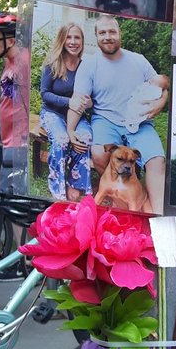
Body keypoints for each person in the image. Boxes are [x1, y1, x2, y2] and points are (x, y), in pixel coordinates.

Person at [68, 14, 168, 213]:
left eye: (112, 31)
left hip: (139, 124)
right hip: (106, 120)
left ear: (119, 33)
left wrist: (159, 105)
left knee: (158, 161)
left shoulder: (138, 61)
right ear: (96, 36)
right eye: (102, 33)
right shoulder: (89, 64)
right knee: (98, 153)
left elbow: (163, 87)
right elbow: (78, 100)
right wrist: (71, 129)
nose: (107, 37)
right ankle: (117, 192)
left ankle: (157, 214)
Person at [39, 22, 92, 201]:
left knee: (85, 138)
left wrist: (88, 102)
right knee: (62, 140)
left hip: (77, 116)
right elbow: (45, 94)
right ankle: (57, 188)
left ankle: (76, 184)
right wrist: (69, 101)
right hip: (52, 113)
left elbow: (92, 97)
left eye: (77, 37)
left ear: (82, 42)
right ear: (62, 40)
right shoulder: (52, 64)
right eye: (69, 37)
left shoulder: (86, 67)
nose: (73, 41)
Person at [0, 11, 29, 194]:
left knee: (12, 205)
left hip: (20, 145)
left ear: (10, 40)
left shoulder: (25, 62)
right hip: (8, 142)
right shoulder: (10, 62)